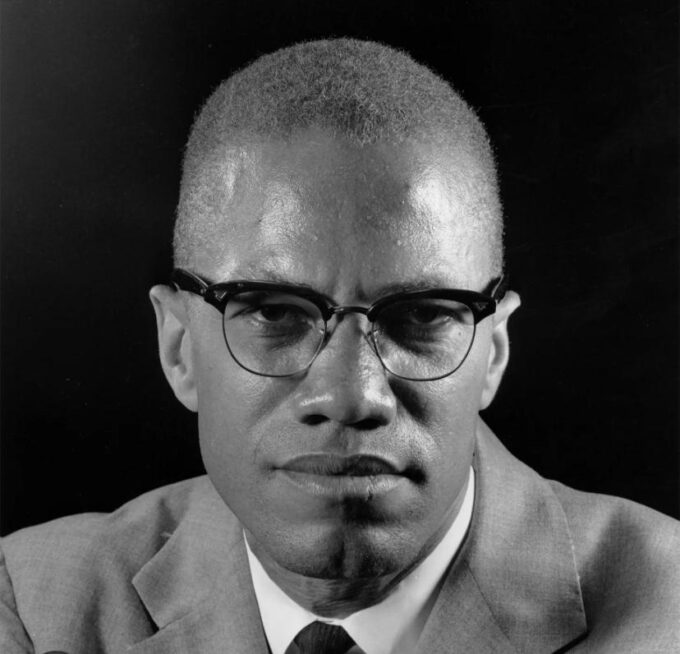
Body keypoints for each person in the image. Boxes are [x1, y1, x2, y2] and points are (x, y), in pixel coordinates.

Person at [1, 38, 678, 654]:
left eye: (422, 316)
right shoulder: (31, 605)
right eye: (273, 312)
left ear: (494, 351)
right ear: (178, 348)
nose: (353, 396)